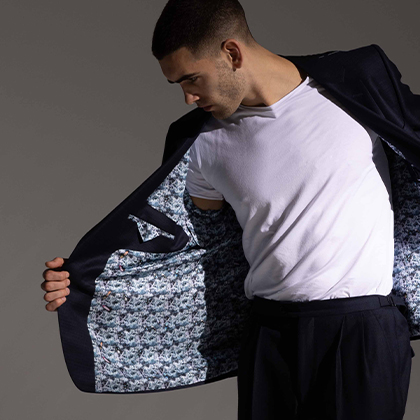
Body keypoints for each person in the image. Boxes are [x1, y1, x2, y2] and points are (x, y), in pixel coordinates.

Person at [41, 0, 415, 418]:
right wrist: (86, 281)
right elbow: (193, 246)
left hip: (362, 330)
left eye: (192, 79)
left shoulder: (356, 84)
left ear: (232, 53)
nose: (188, 97)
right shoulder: (201, 142)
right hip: (270, 336)